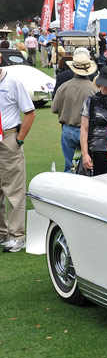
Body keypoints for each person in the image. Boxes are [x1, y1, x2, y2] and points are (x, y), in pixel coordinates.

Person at [0, 60, 36, 252]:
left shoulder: (13, 83)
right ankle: (1, 233)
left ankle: (16, 236)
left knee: (13, 190)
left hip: (8, 138)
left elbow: (30, 112)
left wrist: (19, 139)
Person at [51, 48, 98, 171]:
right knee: (89, 166)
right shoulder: (94, 89)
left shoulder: (63, 87)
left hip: (68, 129)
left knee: (69, 166)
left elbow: (54, 109)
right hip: (88, 130)